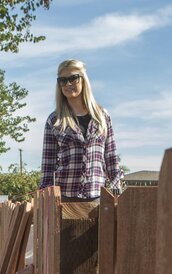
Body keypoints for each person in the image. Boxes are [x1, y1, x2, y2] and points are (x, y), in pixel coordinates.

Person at [40, 59, 124, 200]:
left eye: (73, 78)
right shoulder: (54, 120)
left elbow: (111, 158)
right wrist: (44, 197)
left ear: (83, 80)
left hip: (97, 196)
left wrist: (116, 188)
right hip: (65, 197)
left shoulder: (102, 116)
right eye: (63, 80)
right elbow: (48, 166)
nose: (68, 84)